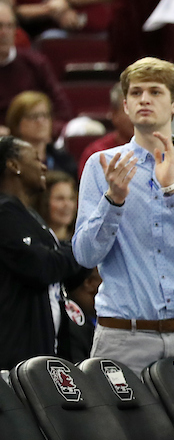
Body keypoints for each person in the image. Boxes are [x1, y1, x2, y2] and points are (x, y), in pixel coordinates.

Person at [73, 57, 174, 376]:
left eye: (155, 92)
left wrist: (173, 189)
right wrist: (113, 201)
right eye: (136, 93)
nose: (144, 99)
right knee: (119, 428)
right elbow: (85, 254)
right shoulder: (101, 166)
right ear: (126, 105)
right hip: (122, 337)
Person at [0, 135, 89, 370]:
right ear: (13, 165)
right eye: (36, 159)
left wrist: (88, 252)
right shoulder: (4, 213)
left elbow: (65, 276)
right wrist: (81, 249)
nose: (43, 165)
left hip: (43, 353)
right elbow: (42, 267)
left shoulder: (29, 216)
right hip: (14, 361)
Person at [0, 2, 72, 127]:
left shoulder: (35, 63)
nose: (4, 33)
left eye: (10, 26)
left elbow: (62, 109)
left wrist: (46, 129)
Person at [8, 90, 74, 174]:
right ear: (17, 124)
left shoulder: (64, 162)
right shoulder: (7, 163)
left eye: (45, 115)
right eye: (34, 116)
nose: (41, 121)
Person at [78, 83, 135, 178]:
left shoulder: (160, 150)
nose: (136, 117)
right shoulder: (97, 154)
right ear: (113, 114)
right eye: (129, 110)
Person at [38, 169, 76, 241]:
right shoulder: (35, 242)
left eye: (71, 198)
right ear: (44, 201)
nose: (67, 205)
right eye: (60, 199)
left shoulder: (82, 244)